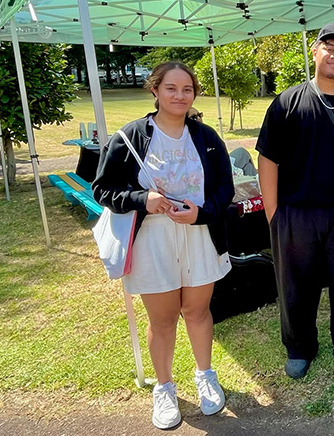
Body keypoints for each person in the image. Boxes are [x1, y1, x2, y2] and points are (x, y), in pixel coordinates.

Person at [92, 61, 235, 430]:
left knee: (198, 312)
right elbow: (104, 190)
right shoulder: (130, 137)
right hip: (152, 239)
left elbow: (224, 191)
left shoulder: (207, 138)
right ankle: (165, 387)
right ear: (154, 90)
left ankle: (205, 375)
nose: (179, 96)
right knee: (163, 318)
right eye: (171, 88)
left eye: (186, 89)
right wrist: (144, 200)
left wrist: (201, 214)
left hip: (199, 236)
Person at [255, 22, 334, 380]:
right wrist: (273, 213)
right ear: (315, 51)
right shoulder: (286, 102)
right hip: (295, 212)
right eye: (330, 48)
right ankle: (299, 347)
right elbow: (268, 159)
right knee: (295, 284)